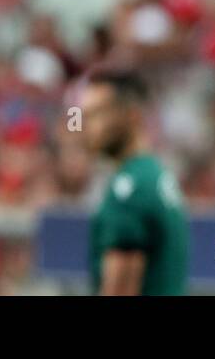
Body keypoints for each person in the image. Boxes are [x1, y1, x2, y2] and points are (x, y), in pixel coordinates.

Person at [81, 70, 189, 295]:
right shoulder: (156, 175)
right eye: (85, 116)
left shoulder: (129, 190)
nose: (86, 127)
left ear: (132, 115)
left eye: (98, 114)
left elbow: (119, 290)